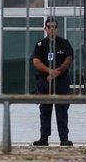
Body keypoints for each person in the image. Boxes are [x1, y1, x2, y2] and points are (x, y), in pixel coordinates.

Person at [31, 18, 74, 146]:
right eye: (49, 27)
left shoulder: (64, 43)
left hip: (61, 82)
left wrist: (57, 72)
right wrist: (50, 71)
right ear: (45, 29)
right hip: (45, 81)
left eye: (54, 27)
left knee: (62, 111)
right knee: (45, 110)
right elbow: (36, 62)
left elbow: (68, 60)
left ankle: (64, 138)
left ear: (57, 29)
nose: (51, 29)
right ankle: (44, 138)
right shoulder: (40, 44)